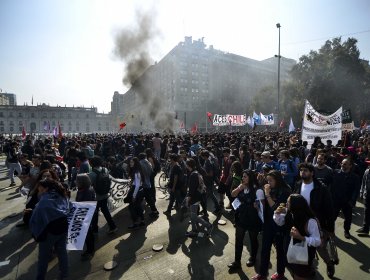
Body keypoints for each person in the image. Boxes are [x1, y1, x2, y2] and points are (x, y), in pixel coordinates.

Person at [294, 163, 336, 278]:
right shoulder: (297, 185)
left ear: (312, 173)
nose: (303, 172)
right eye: (301, 170)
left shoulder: (321, 188)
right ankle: (309, 269)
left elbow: (329, 210)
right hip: (302, 224)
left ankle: (329, 263)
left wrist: (330, 229)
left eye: (306, 170)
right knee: (305, 248)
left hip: (318, 224)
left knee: (320, 248)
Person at [252, 170, 291, 280]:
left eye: (271, 180)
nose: (268, 182)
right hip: (268, 223)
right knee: (264, 249)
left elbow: (277, 209)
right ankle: (262, 274)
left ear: (277, 180)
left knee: (280, 250)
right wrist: (258, 206)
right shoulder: (269, 189)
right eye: (267, 180)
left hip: (280, 225)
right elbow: (266, 206)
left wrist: (267, 194)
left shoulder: (285, 191)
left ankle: (280, 272)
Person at [29, 179, 69, 280]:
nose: (39, 192)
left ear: (46, 189)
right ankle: (64, 276)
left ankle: (40, 278)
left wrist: (35, 234)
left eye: (40, 190)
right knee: (62, 252)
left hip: (49, 232)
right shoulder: (61, 194)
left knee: (43, 258)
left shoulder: (44, 202)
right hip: (63, 227)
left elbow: (36, 221)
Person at [228, 169, 264, 270]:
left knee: (253, 239)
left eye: (245, 177)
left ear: (250, 178)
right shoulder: (241, 187)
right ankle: (237, 261)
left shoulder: (258, 190)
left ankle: (253, 257)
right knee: (238, 239)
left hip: (253, 219)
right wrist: (239, 188)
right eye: (242, 176)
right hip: (241, 217)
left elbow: (263, 207)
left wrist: (257, 206)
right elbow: (232, 195)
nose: (242, 178)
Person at [284, 194, 322, 280]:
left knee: (299, 276)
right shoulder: (291, 214)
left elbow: (317, 241)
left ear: (295, 206)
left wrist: (301, 237)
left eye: (288, 202)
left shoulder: (310, 221)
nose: (286, 204)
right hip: (293, 253)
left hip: (304, 256)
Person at [331, 158, 361, 239]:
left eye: (345, 164)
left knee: (348, 218)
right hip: (336, 200)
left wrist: (352, 201)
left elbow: (356, 190)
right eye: (342, 163)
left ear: (350, 166)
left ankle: (346, 231)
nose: (342, 165)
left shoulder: (355, 177)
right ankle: (330, 230)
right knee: (332, 217)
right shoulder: (335, 173)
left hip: (347, 202)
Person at [185, 158, 213, 237]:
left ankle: (208, 226)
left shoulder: (193, 175)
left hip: (194, 198)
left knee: (193, 216)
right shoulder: (195, 172)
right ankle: (194, 230)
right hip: (198, 196)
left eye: (186, 164)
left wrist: (188, 200)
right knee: (192, 215)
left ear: (188, 165)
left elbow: (192, 190)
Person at [89, 156, 117, 234]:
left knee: (94, 213)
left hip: (96, 197)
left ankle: (95, 229)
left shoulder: (92, 174)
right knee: (105, 211)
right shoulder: (105, 169)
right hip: (105, 194)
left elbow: (89, 186)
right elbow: (110, 179)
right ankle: (113, 226)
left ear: (92, 164)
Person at [75, 174, 97, 261]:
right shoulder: (81, 190)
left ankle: (90, 251)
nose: (75, 182)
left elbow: (86, 206)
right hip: (83, 215)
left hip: (87, 216)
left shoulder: (87, 191)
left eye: (77, 181)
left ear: (82, 182)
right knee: (87, 234)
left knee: (88, 235)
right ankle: (89, 249)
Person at [163, 153, 185, 218]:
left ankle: (185, 211)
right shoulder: (175, 165)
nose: (169, 160)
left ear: (173, 159)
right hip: (174, 186)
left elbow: (176, 178)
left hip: (176, 187)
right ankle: (168, 211)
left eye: (170, 159)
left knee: (179, 200)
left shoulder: (176, 167)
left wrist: (173, 187)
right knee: (172, 199)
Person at [127, 157, 145, 229]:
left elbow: (137, 185)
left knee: (132, 207)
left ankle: (135, 223)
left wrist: (134, 195)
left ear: (135, 163)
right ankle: (142, 221)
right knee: (138, 206)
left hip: (137, 191)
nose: (130, 163)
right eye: (130, 162)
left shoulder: (137, 172)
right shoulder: (137, 171)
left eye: (132, 162)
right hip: (139, 190)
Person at [138, 153, 159, 217]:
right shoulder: (148, 163)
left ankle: (154, 211)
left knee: (146, 198)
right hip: (148, 182)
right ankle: (154, 211)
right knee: (148, 197)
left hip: (142, 183)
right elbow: (151, 172)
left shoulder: (139, 164)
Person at [357, 163, 370, 235]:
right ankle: (365, 229)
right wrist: (361, 192)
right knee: (366, 212)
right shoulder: (367, 171)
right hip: (367, 195)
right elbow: (363, 182)